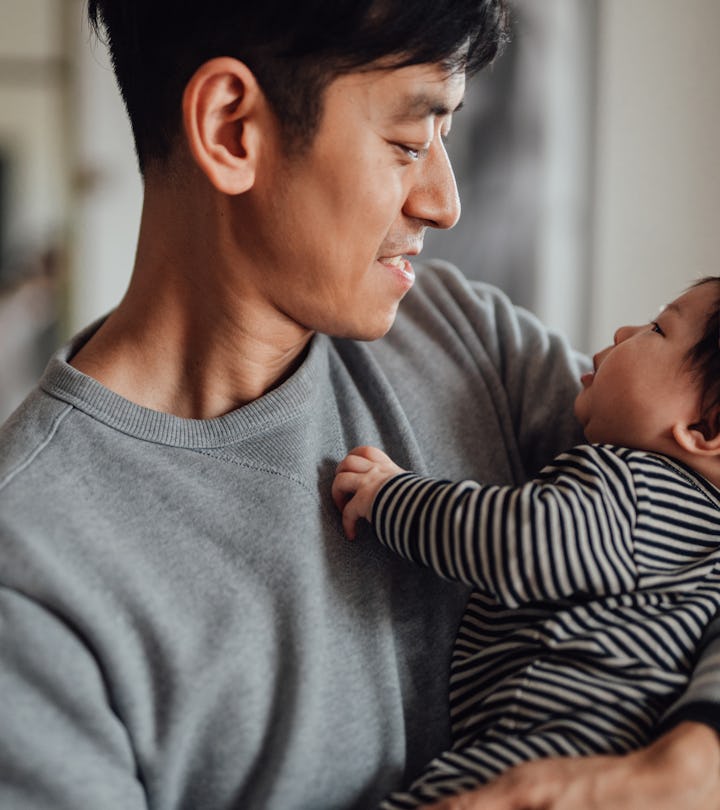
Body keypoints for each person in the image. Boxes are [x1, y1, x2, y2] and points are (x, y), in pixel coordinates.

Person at [0, 1, 719, 808]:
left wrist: (692, 765)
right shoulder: (30, 574)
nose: (445, 202)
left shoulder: (461, 336)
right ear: (233, 129)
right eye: (410, 142)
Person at [332, 276, 720, 808]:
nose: (624, 329)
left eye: (657, 329)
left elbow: (523, 542)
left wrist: (392, 496)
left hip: (539, 757)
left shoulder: (639, 487)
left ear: (702, 430)